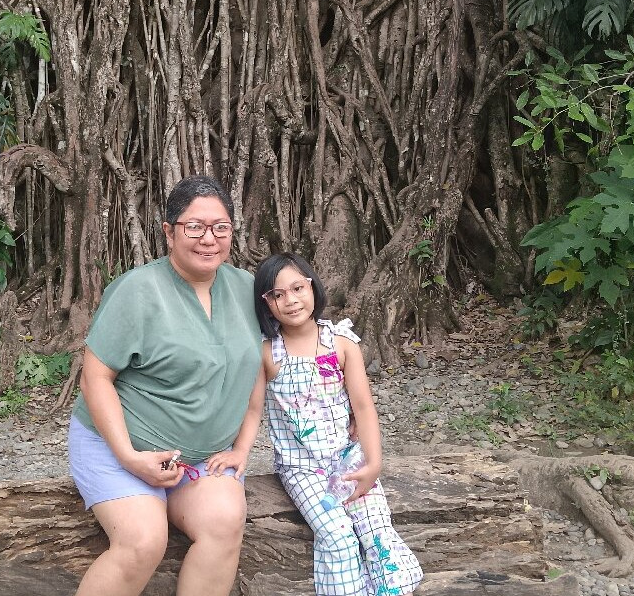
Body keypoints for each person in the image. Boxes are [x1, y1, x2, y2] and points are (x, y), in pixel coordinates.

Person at [68, 175, 263, 596]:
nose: (208, 238)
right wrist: (129, 456)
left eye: (220, 227)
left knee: (225, 522)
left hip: (203, 458)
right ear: (169, 232)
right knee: (143, 540)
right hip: (120, 447)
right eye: (194, 226)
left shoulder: (247, 289)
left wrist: (349, 408)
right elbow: (95, 377)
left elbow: (293, 346)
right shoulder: (138, 290)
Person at [211, 252, 423, 596]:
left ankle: (394, 589)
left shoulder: (341, 344)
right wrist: (239, 453)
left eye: (298, 288)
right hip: (301, 469)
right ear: (266, 304)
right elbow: (253, 411)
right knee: (337, 534)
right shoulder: (267, 353)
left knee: (377, 530)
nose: (290, 300)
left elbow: (363, 407)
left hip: (348, 460)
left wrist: (373, 464)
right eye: (277, 294)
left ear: (313, 287)